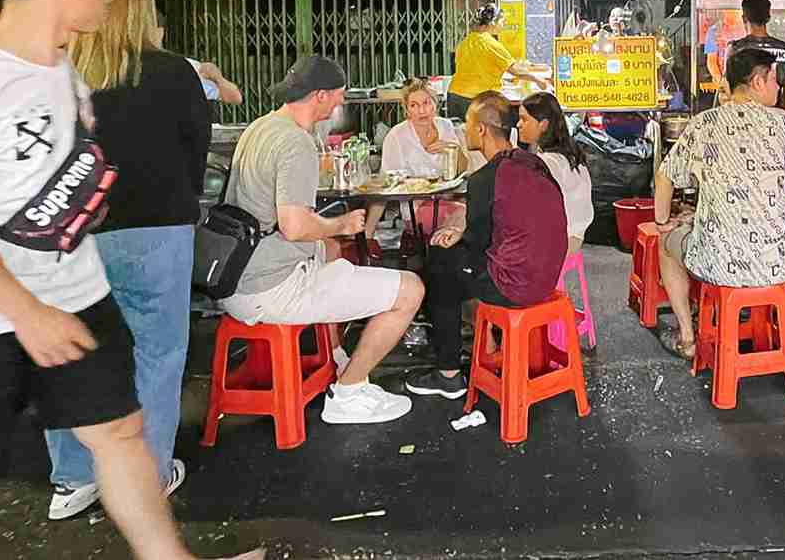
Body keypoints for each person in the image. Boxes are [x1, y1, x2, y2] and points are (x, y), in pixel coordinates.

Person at [0, 0, 263, 560]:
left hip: (78, 293)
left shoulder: (64, 69)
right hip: (3, 316)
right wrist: (27, 313)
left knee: (121, 431)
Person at [43, 0, 210, 520]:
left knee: (73, 351)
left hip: (73, 237)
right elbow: (195, 157)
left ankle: (73, 478)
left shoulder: (57, 73)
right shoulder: (171, 73)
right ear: (143, 10)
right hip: (157, 231)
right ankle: (150, 474)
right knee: (156, 355)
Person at [220, 55, 424, 424]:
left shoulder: (261, 126)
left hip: (237, 278)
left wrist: (329, 237)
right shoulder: (296, 144)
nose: (341, 103)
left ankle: (338, 359)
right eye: (338, 96)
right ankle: (349, 390)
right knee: (411, 289)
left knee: (331, 252)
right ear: (320, 96)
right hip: (272, 287)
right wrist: (342, 224)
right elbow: (295, 226)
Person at [652, 48, 785, 360]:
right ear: (757, 82)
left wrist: (663, 222)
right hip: (776, 264)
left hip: (715, 263)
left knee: (665, 245)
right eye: (773, 81)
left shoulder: (704, 123)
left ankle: (687, 338)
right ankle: (776, 330)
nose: (778, 87)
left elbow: (665, 178)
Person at [406, 92, 568, 399]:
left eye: (467, 123)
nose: (464, 130)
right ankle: (482, 344)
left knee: (440, 261)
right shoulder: (533, 164)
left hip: (516, 286)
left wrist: (457, 236)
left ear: (481, 129)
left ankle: (449, 373)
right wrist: (463, 233)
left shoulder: (486, 178)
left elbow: (480, 245)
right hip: (547, 278)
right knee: (452, 256)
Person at [363, 78, 467, 251]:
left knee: (479, 211)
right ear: (406, 110)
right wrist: (368, 236)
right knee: (466, 214)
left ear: (435, 104)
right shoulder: (397, 136)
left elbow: (462, 170)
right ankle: (438, 255)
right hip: (416, 209)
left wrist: (454, 149)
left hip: (450, 200)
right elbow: (385, 186)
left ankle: (444, 257)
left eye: (426, 103)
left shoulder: (445, 126)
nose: (421, 110)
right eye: (414, 105)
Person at [519, 92, 594, 254]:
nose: (518, 125)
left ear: (543, 124)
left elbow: (534, 209)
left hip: (560, 242)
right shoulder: (568, 153)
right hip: (575, 236)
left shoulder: (549, 162)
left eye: (524, 119)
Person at [447, 4, 543, 121]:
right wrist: (538, 80)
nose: (503, 24)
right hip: (474, 99)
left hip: (454, 95)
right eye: (502, 21)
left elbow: (474, 69)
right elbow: (516, 71)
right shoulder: (491, 44)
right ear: (493, 23)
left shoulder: (465, 42)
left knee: (459, 135)